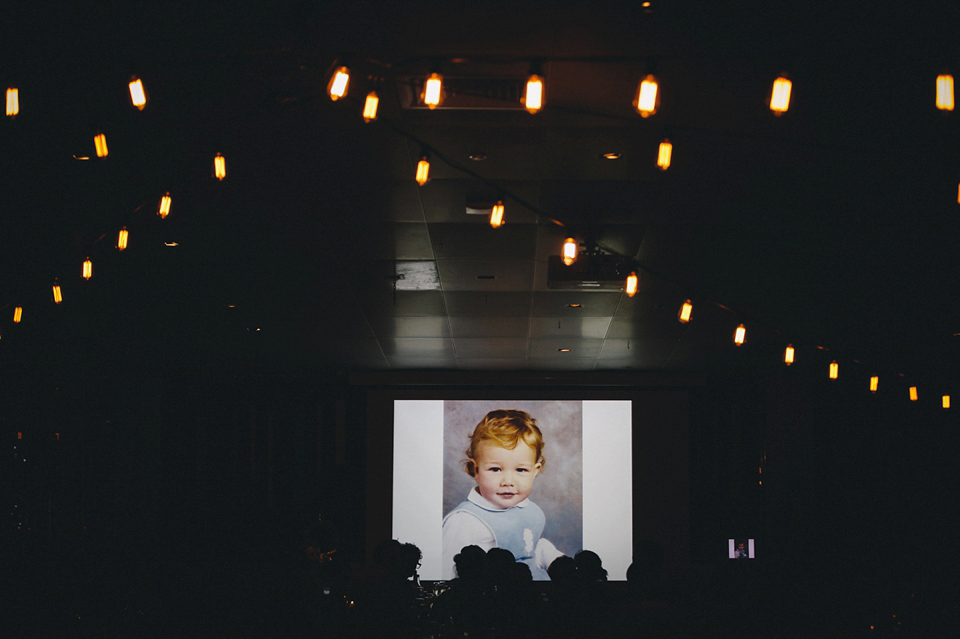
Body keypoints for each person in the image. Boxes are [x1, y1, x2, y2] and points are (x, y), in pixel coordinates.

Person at [441, 409, 563, 580]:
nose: (507, 481)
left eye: (521, 470)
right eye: (495, 469)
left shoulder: (529, 510)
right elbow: (447, 575)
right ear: (475, 470)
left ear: (535, 471)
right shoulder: (465, 521)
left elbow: (531, 549)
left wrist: (555, 560)